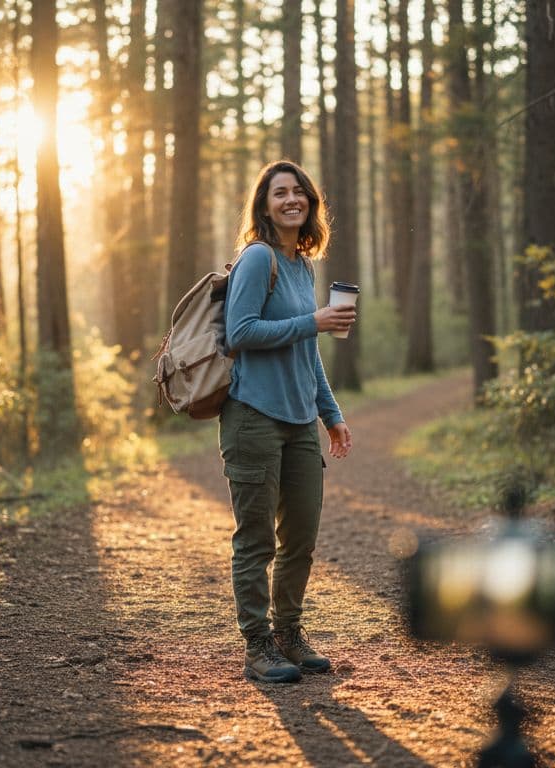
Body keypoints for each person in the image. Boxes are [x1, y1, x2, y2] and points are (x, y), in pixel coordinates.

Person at [220, 160, 356, 684]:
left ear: (311, 203)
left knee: (300, 536)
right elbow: (240, 332)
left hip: (300, 421)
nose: (291, 199)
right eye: (280, 192)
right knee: (255, 540)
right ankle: (257, 645)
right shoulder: (257, 259)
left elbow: (307, 352)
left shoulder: (302, 264)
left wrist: (331, 414)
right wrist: (314, 321)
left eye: (299, 191)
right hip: (252, 416)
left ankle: (288, 635)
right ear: (265, 204)